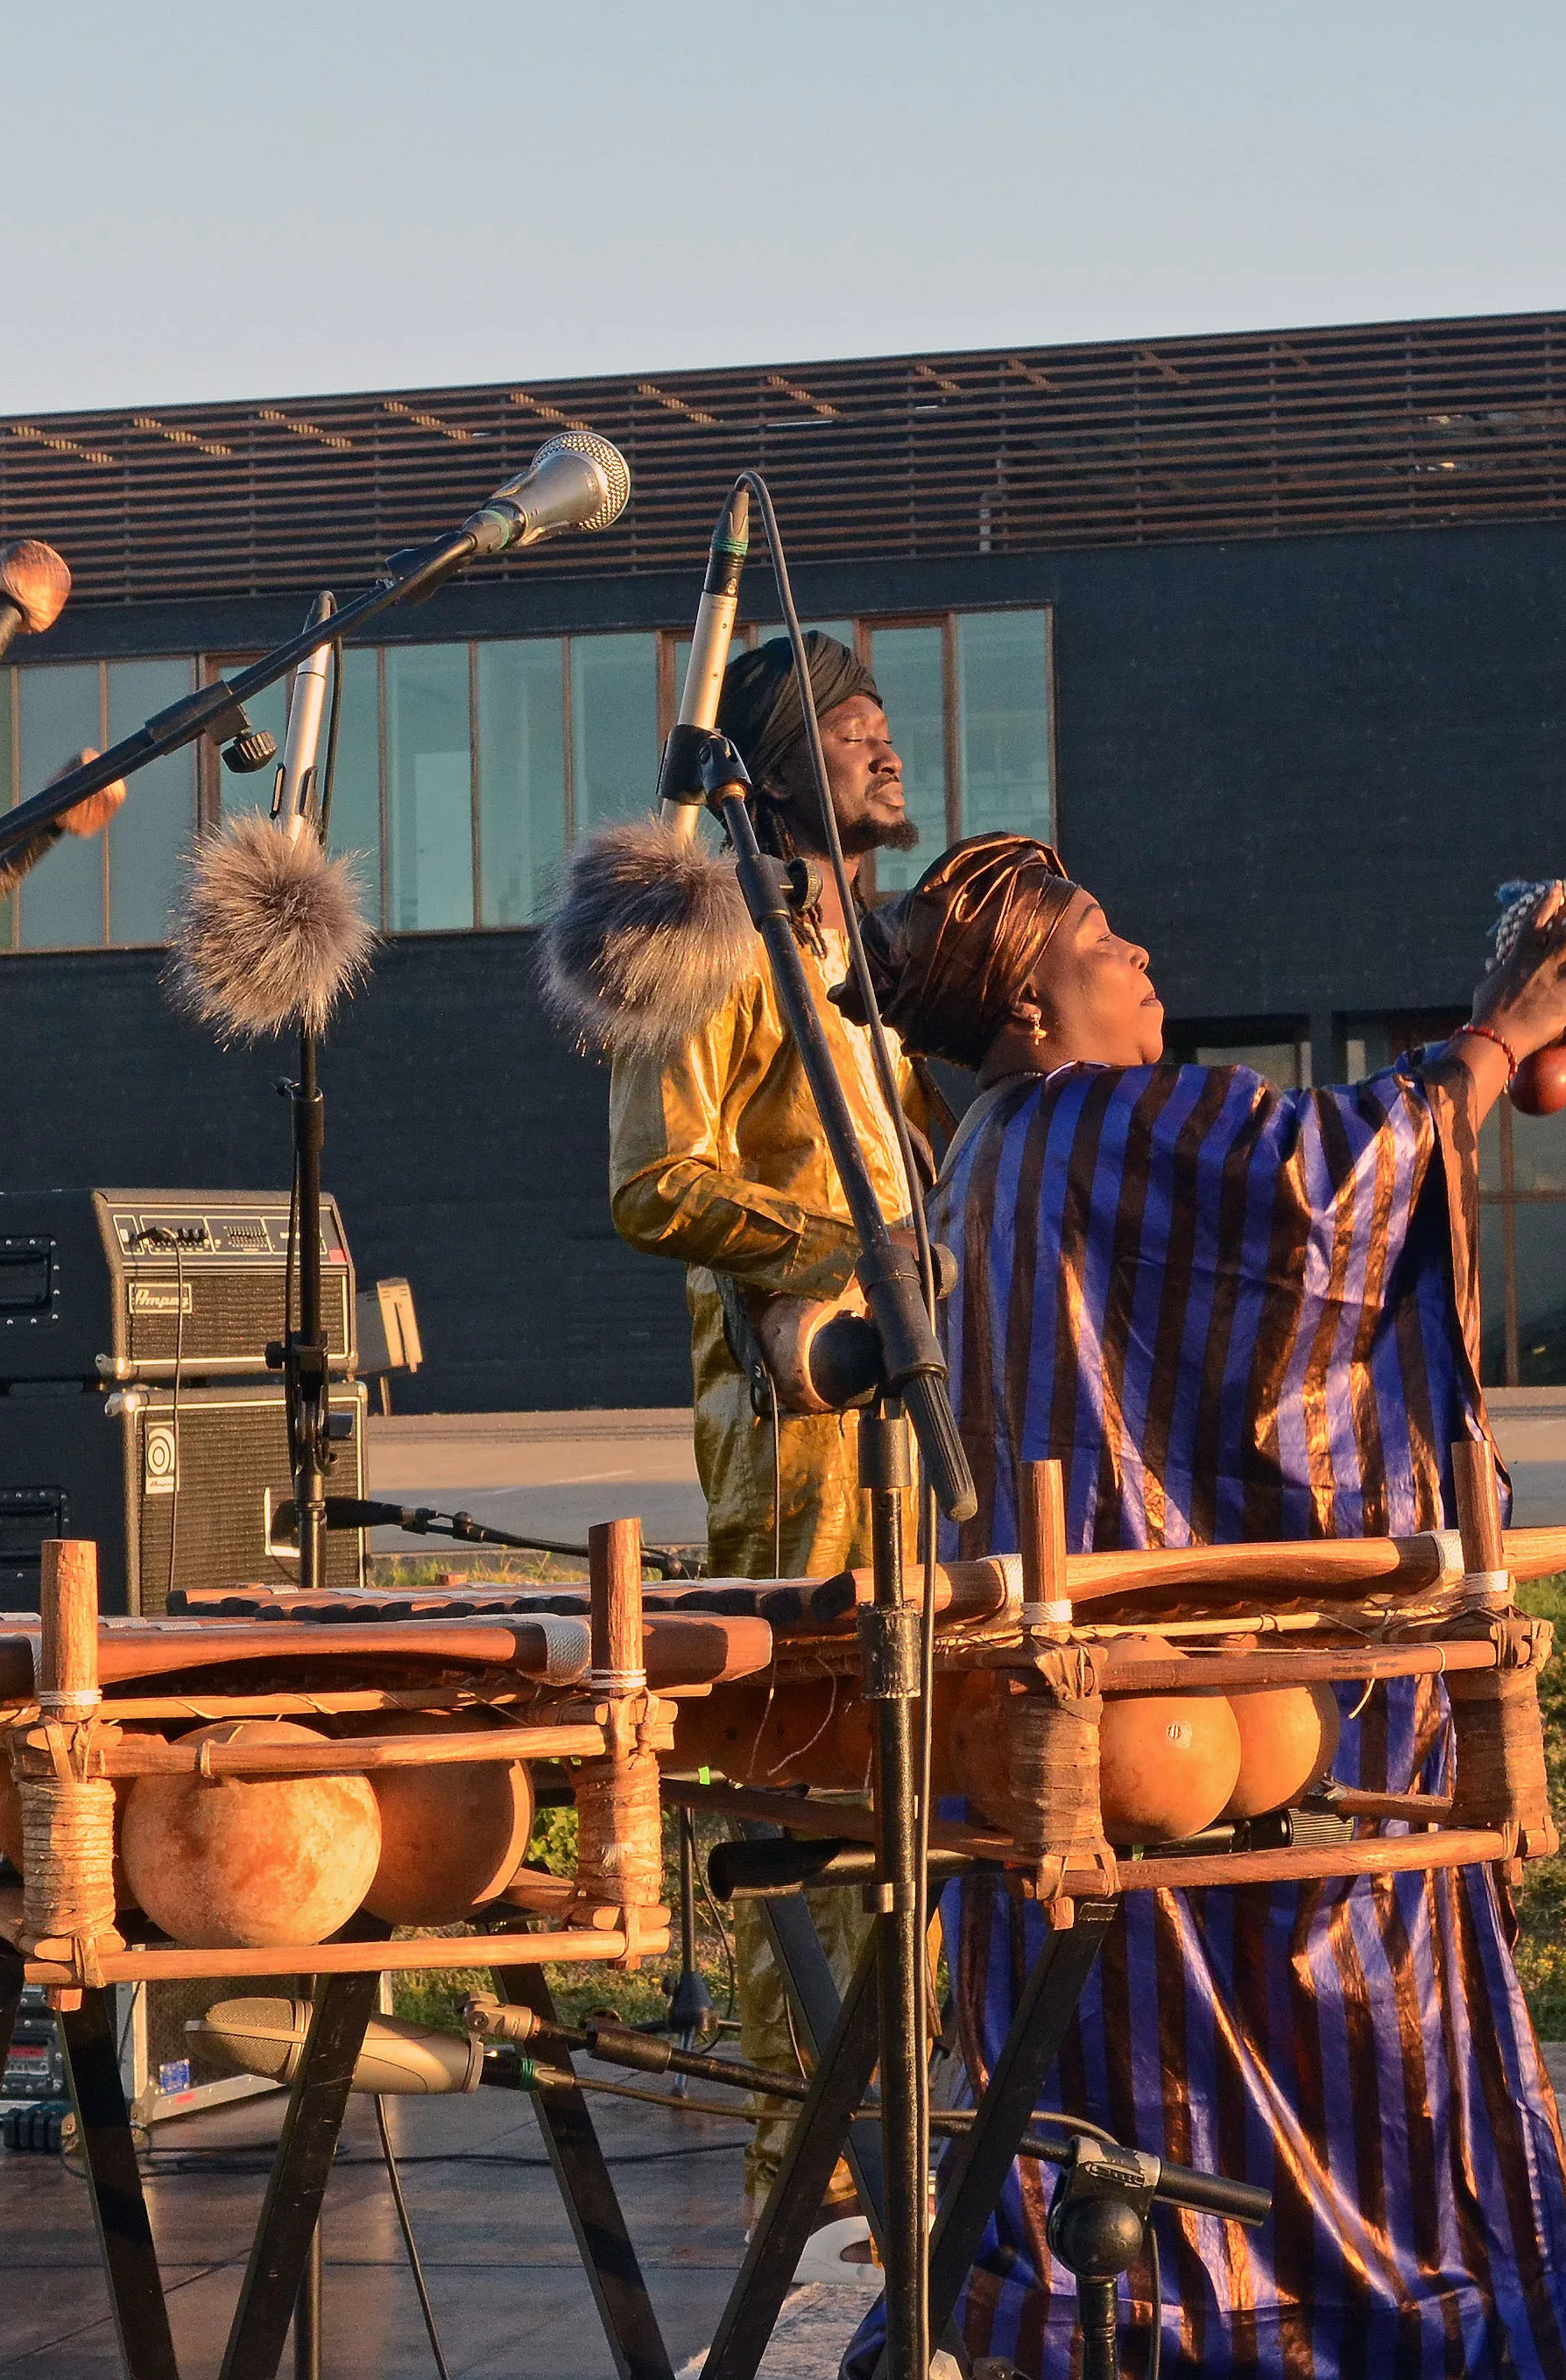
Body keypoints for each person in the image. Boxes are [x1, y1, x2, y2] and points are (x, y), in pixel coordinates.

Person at [842, 832, 1566, 2378]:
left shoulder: (995, 1152)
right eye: (1106, 935)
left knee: (1106, 2062)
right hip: (1196, 1723)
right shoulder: (1087, 1115)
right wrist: (1500, 1024)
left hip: (1079, 1710)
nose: (1147, 961)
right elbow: (1319, 1190)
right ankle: (1343, 2322)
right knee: (1329, 2054)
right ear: (1024, 990)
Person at [595, 629, 948, 2216]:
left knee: (927, 1795)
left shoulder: (859, 958)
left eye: (885, 725)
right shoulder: (716, 933)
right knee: (807, 1798)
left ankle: (922, 2161)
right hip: (799, 1438)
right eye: (855, 728)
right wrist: (848, 1247)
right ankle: (798, 2180)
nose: (886, 749)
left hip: (916, 1436)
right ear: (777, 766)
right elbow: (651, 1177)